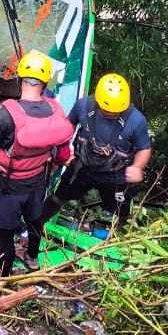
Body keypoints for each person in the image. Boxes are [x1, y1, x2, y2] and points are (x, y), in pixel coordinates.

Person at [0, 50, 75, 275]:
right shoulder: (55, 109)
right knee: (35, 221)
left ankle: (5, 272)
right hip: (38, 182)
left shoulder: (8, 113)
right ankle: (32, 257)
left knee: (4, 230)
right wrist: (58, 163)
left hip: (9, 186)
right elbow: (64, 152)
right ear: (45, 82)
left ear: (20, 78)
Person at [47, 72, 152, 228]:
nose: (111, 113)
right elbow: (68, 124)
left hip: (115, 173)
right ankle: (38, 226)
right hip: (82, 165)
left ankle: (116, 232)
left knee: (119, 210)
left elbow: (144, 148)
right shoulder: (84, 105)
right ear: (97, 100)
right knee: (59, 197)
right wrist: (65, 147)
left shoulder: (136, 120)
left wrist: (137, 167)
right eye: (107, 110)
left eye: (116, 111)